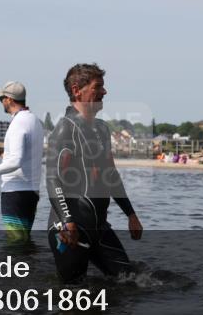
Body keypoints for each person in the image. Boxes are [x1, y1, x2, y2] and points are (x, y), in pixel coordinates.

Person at [46, 63, 143, 283]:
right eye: (98, 86)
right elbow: (53, 179)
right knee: (72, 296)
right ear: (76, 90)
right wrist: (68, 221)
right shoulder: (65, 128)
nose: (104, 92)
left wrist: (131, 214)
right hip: (69, 229)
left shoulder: (101, 129)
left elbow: (111, 176)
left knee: (129, 281)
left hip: (99, 228)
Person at [0, 81, 44, 243]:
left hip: (15, 192)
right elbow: (28, 154)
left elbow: (15, 162)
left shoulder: (18, 123)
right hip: (32, 191)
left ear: (9, 100)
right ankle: (31, 268)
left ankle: (15, 268)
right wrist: (7, 157)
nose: (1, 102)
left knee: (16, 243)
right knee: (24, 242)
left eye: (1, 98)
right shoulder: (35, 121)